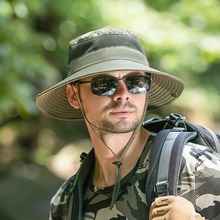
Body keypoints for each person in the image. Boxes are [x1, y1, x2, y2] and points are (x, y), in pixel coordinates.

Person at [36, 28, 220, 220]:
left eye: (136, 81)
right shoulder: (66, 204)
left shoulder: (195, 168)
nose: (123, 93)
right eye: (104, 83)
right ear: (74, 95)